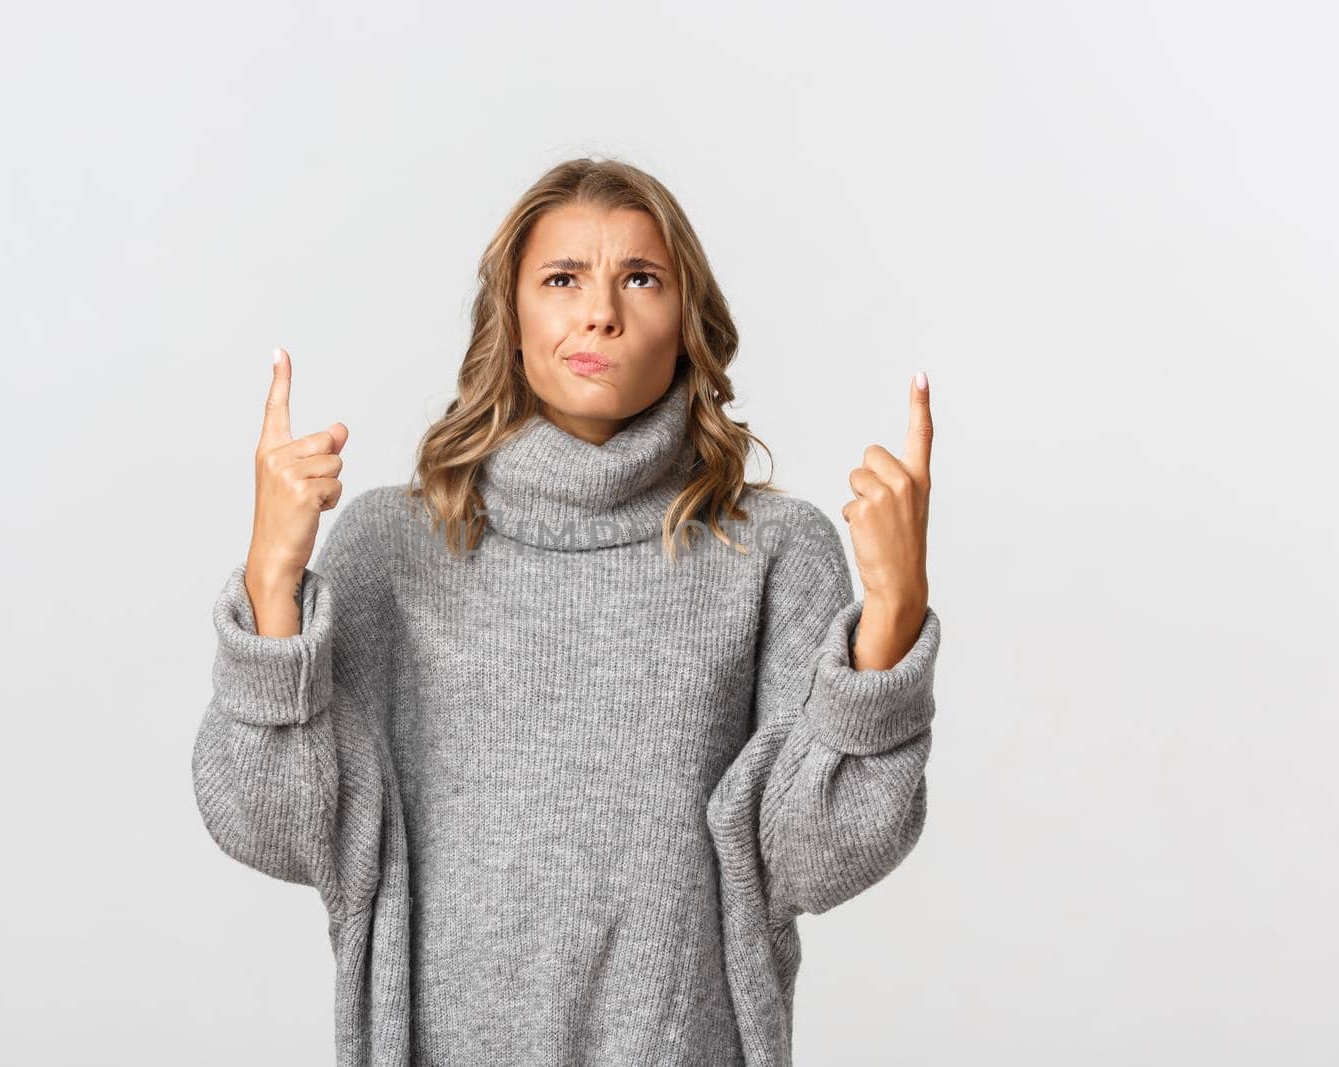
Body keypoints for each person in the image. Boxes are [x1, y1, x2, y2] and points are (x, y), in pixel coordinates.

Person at [191, 157, 941, 1067]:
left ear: (688, 324)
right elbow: (271, 821)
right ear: (510, 320)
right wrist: (274, 581)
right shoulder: (390, 549)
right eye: (561, 279)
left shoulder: (771, 552)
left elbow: (815, 859)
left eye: (640, 278)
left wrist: (892, 619)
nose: (600, 313)